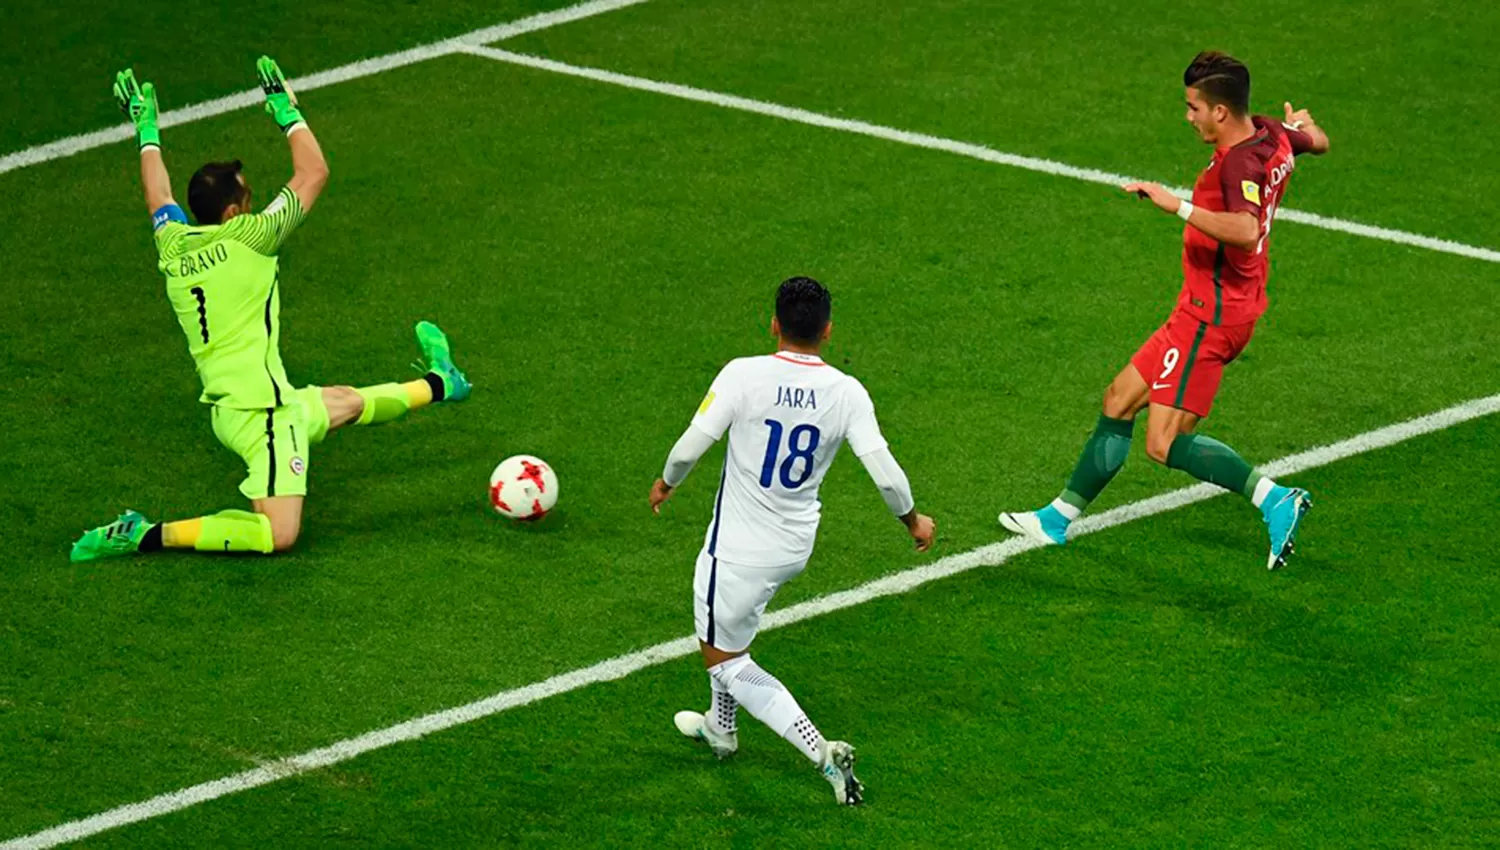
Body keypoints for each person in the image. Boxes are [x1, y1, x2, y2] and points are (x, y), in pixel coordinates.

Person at [70, 58, 471, 562]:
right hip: (264, 414)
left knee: (341, 403)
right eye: (248, 195)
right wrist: (287, 111)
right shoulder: (252, 235)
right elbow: (314, 172)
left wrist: (146, 129)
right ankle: (145, 533)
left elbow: (158, 197)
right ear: (235, 211)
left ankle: (442, 382)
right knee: (277, 533)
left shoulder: (173, 244)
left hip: (229, 406)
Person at [999, 51, 1330, 570]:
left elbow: (1244, 233)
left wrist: (1177, 205)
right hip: (1206, 307)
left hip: (1213, 317)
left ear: (1220, 112)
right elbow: (1318, 141)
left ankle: (1274, 497)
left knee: (1165, 442)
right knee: (1119, 399)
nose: (1188, 116)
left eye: (1193, 107)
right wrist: (1303, 127)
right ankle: (1056, 518)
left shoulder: (1239, 162)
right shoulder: (1271, 133)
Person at [649, 276, 936, 804]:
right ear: (827, 330)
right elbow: (887, 474)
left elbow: (692, 446)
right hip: (794, 546)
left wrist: (667, 481)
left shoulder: (743, 374)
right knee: (730, 634)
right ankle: (721, 728)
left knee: (727, 659)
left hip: (736, 551)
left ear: (774, 324)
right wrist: (913, 521)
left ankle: (821, 753)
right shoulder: (847, 392)